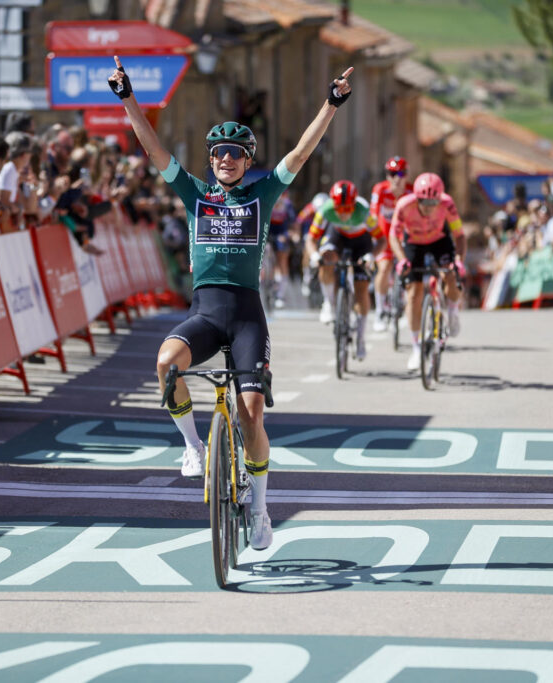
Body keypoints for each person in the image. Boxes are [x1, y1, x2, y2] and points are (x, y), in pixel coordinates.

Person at [109, 54, 354, 551]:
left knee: (251, 416)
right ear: (211, 160)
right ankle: (194, 447)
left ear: (246, 161)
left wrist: (331, 104)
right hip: (205, 312)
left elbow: (301, 155)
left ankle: (261, 509)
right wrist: (128, 98)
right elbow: (152, 148)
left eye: (235, 154)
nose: (226, 159)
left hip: (246, 317)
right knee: (165, 363)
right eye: (219, 153)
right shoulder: (194, 193)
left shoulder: (262, 196)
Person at [389, 172, 466, 372]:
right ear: (417, 198)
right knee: (414, 293)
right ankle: (416, 347)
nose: (429, 207)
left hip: (440, 241)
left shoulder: (447, 204)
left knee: (450, 275)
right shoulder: (404, 205)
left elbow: (459, 235)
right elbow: (394, 236)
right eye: (424, 203)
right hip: (414, 243)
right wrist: (402, 260)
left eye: (433, 203)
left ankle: (453, 310)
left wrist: (458, 260)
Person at [305, 180, 377, 360]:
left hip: (361, 241)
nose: (343, 214)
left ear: (354, 205)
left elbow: (381, 239)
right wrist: (314, 256)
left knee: (361, 289)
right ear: (333, 205)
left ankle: (360, 338)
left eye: (347, 209)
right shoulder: (325, 210)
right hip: (337, 237)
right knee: (326, 258)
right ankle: (329, 304)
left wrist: (371, 256)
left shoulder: (364, 211)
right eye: (339, 209)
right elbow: (311, 239)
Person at [369, 156, 413, 331]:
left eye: (401, 174)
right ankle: (380, 310)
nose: (397, 178)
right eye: (392, 173)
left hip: (404, 238)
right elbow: (373, 215)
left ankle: (403, 304)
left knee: (408, 269)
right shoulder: (379, 190)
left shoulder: (411, 191)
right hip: (385, 237)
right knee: (385, 268)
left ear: (407, 175)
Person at [268, 190, 296, 308]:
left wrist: (291, 234)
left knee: (282, 259)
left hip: (281, 232)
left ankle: (280, 294)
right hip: (268, 230)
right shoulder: (268, 200)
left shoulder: (287, 204)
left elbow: (293, 222)